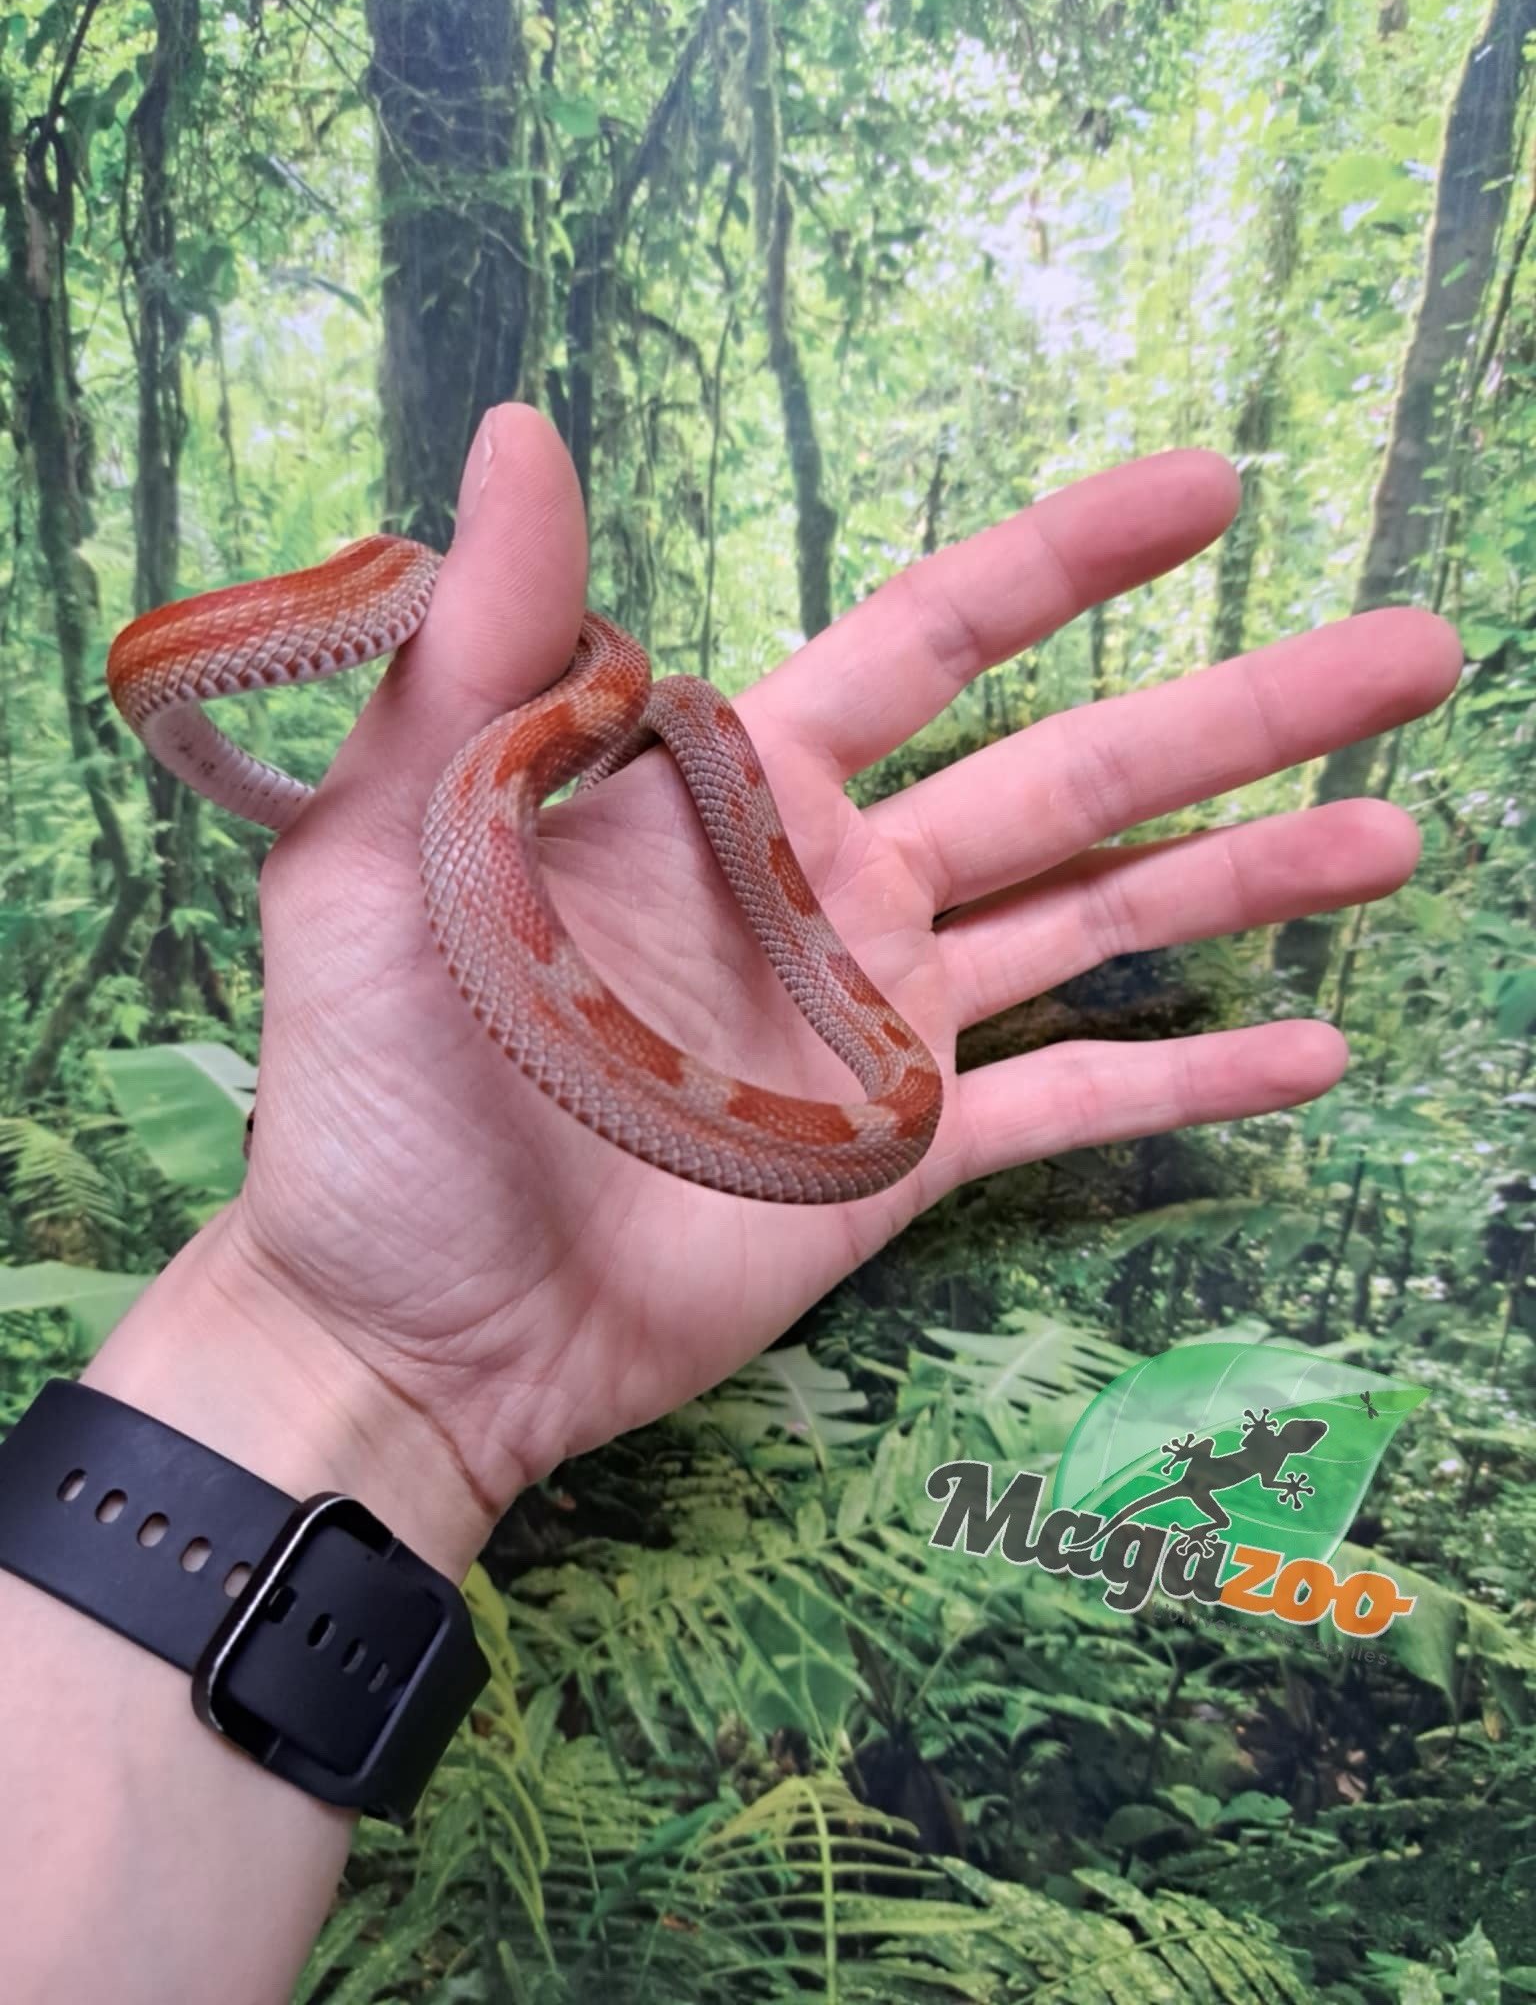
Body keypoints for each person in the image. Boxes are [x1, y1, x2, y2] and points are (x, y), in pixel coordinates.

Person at [0, 407, 1461, 2001]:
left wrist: (347, 1365)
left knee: (890, 1078)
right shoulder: (528, 715)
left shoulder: (613, 721)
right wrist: (345, 1345)